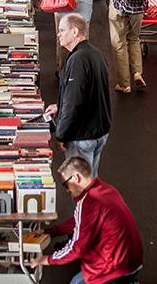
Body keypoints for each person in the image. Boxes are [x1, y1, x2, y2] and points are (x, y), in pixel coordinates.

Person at [30, 156, 144, 284]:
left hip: (113, 269)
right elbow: (80, 222)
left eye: (66, 184)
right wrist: (50, 231)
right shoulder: (106, 189)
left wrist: (48, 259)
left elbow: (77, 248)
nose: (67, 190)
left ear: (75, 177)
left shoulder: (88, 202)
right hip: (131, 261)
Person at [45, 15, 112, 178]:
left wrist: (61, 134)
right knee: (91, 181)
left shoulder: (77, 61)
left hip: (82, 134)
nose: (58, 34)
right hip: (99, 131)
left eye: (61, 31)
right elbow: (88, 93)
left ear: (75, 31)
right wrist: (59, 105)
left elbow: (73, 104)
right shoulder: (95, 54)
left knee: (80, 187)